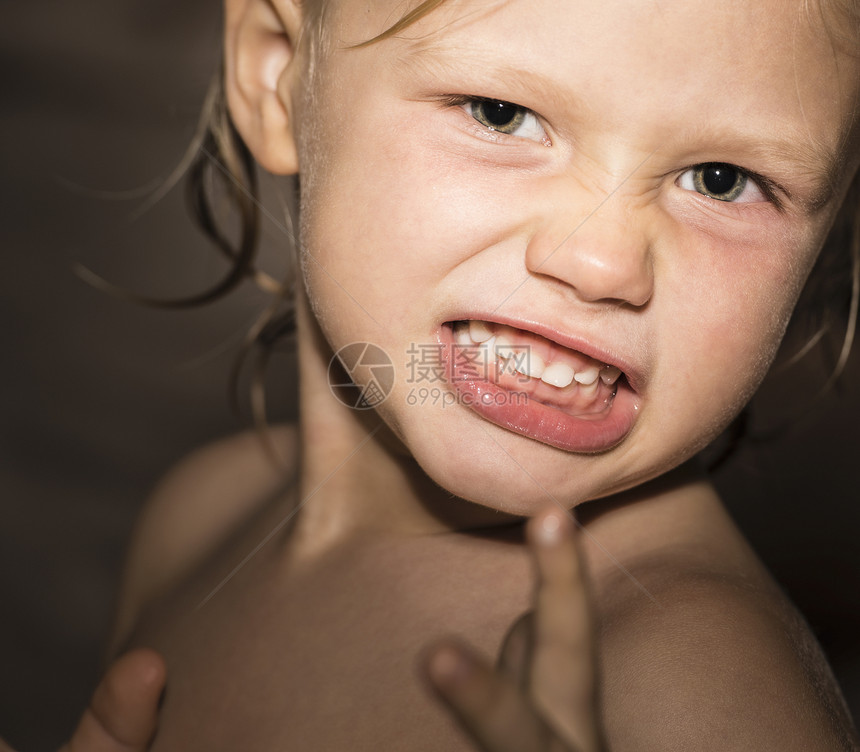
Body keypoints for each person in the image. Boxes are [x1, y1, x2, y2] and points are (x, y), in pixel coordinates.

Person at [8, 0, 860, 748]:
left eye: (723, 180)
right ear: (277, 76)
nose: (603, 261)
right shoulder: (195, 522)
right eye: (501, 114)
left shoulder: (698, 691)